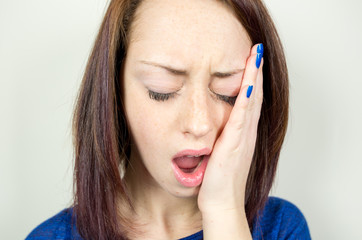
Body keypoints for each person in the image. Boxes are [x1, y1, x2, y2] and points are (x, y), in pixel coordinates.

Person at [26, 0, 311, 239]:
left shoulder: (281, 228)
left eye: (229, 93)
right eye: (162, 91)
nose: (199, 124)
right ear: (114, 89)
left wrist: (224, 211)